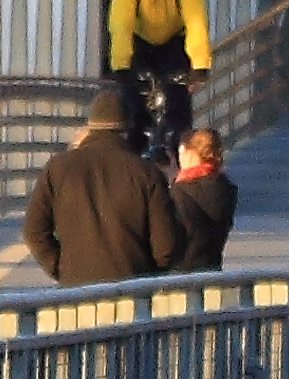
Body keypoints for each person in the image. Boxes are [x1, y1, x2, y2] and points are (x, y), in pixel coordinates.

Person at [26, 101, 183, 287]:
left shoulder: (58, 168)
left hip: (74, 289)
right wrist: (146, 272)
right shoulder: (146, 172)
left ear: (90, 126)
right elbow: (166, 246)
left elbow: (33, 231)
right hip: (132, 289)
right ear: (126, 130)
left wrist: (60, 268)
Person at [102, 0, 210, 162]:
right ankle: (132, 155)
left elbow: (195, 22)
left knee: (178, 105)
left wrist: (199, 66)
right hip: (139, 43)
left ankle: (180, 156)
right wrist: (121, 66)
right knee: (134, 106)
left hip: (172, 42)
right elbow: (121, 24)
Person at [163, 127, 239, 272]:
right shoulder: (225, 188)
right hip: (212, 271)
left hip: (181, 275)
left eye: (180, 153)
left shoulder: (180, 191)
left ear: (189, 153)